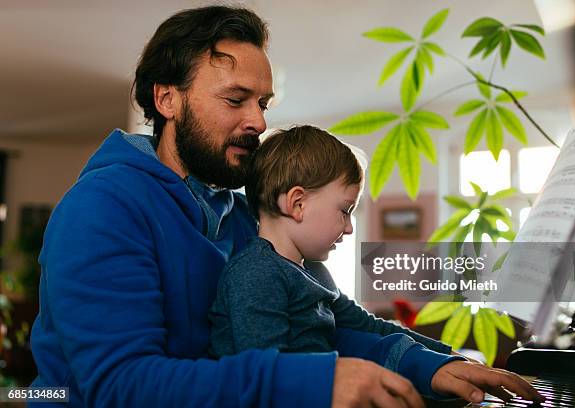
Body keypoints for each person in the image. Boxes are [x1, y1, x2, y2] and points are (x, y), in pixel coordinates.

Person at [29, 5, 543, 407]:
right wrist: (311, 382)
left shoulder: (241, 214)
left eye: (263, 104)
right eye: (236, 100)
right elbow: (122, 388)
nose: (257, 120)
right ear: (167, 100)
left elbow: (319, 323)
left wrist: (425, 366)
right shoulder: (101, 210)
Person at [208, 125, 469, 399]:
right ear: (297, 203)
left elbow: (368, 325)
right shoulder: (256, 273)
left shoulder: (314, 270)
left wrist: (446, 356)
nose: (349, 228)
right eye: (345, 211)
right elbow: (271, 376)